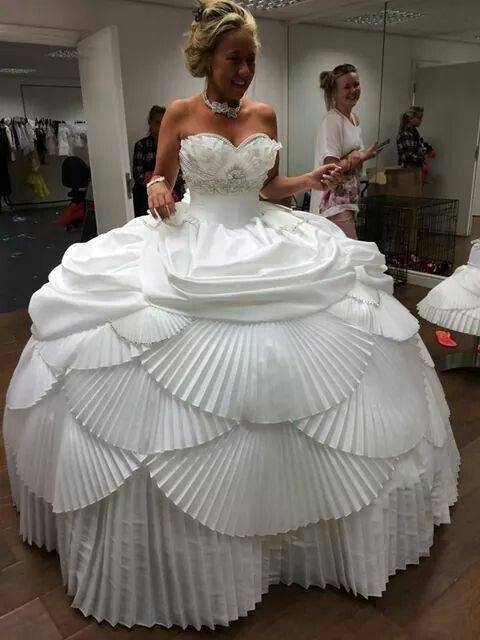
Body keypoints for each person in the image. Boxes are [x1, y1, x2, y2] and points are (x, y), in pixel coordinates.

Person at [5, 0, 458, 630]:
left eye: (251, 60)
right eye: (234, 59)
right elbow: (159, 179)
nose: (245, 71)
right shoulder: (180, 114)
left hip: (264, 237)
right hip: (193, 244)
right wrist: (157, 189)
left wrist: (310, 179)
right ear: (207, 58)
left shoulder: (265, 114)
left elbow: (267, 187)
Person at [309, 64, 378, 239]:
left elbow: (354, 157)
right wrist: (361, 156)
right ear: (334, 92)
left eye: (356, 84)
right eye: (347, 87)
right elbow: (330, 170)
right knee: (350, 249)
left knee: (347, 250)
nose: (353, 90)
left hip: (348, 199)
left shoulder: (354, 119)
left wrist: (360, 156)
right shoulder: (333, 121)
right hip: (332, 203)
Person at [132, 105, 185, 216]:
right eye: (157, 122)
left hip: (174, 194)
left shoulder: (174, 145)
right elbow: (139, 175)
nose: (160, 126)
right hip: (145, 198)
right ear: (150, 123)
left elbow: (182, 172)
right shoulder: (141, 145)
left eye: (163, 122)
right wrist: (159, 183)